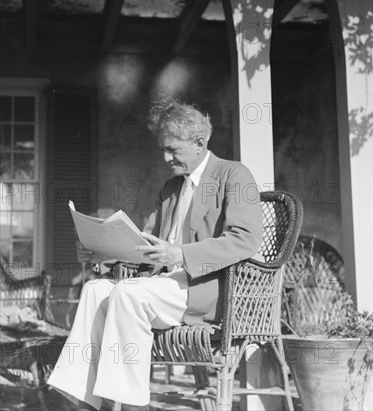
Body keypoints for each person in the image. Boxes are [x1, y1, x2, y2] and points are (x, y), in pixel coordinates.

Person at [48, 100, 263, 410]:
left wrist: (179, 254)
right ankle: (81, 399)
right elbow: (141, 243)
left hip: (206, 288)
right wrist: (99, 253)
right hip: (162, 285)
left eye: (172, 150)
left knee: (129, 293)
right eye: (163, 149)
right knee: (95, 289)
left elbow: (245, 239)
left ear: (200, 143)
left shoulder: (234, 175)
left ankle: (128, 403)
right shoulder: (172, 187)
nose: (165, 157)